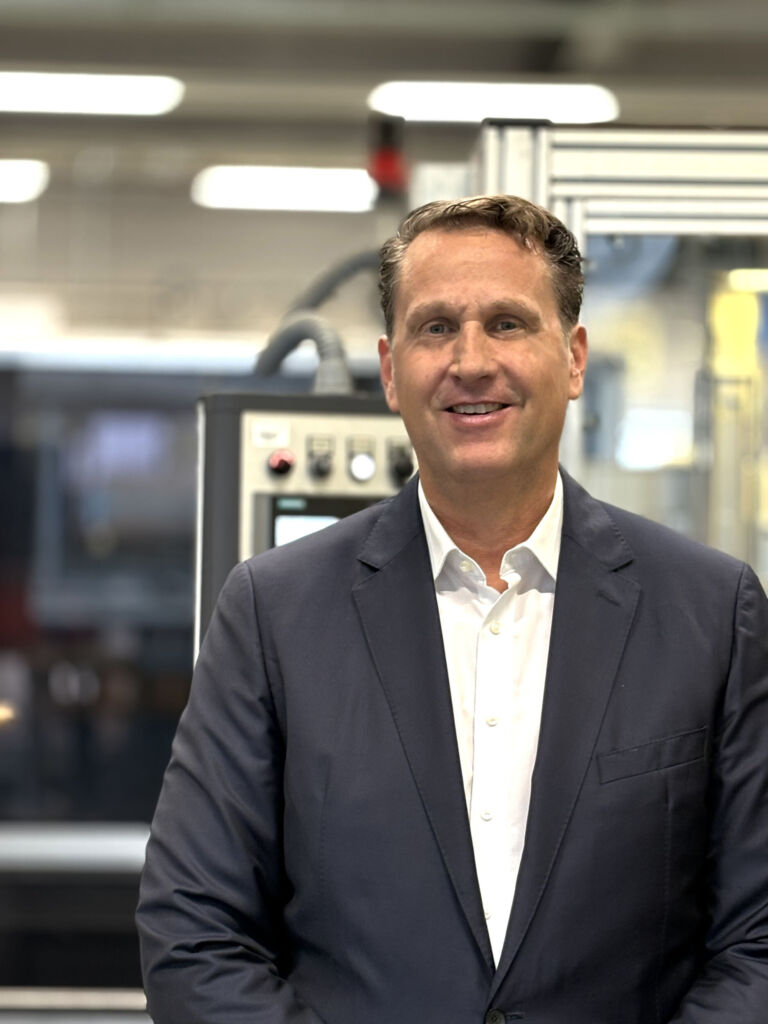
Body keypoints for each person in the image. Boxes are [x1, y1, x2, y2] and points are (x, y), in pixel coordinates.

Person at [136, 195, 768, 1024]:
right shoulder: (274, 613)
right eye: (436, 328)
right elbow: (193, 934)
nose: (471, 361)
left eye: (508, 323)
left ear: (574, 358)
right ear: (390, 371)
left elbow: (757, 940)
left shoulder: (710, 613)